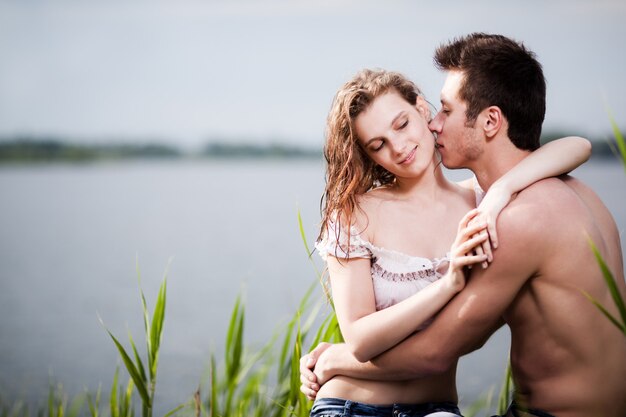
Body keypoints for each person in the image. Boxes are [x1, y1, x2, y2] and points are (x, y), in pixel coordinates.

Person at [301, 34, 626, 417]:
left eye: (444, 110)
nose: (436, 124)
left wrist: (333, 358)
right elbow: (463, 333)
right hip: (353, 404)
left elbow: (436, 351)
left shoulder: (497, 213)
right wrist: (502, 192)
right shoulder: (571, 196)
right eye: (377, 145)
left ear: (489, 120)